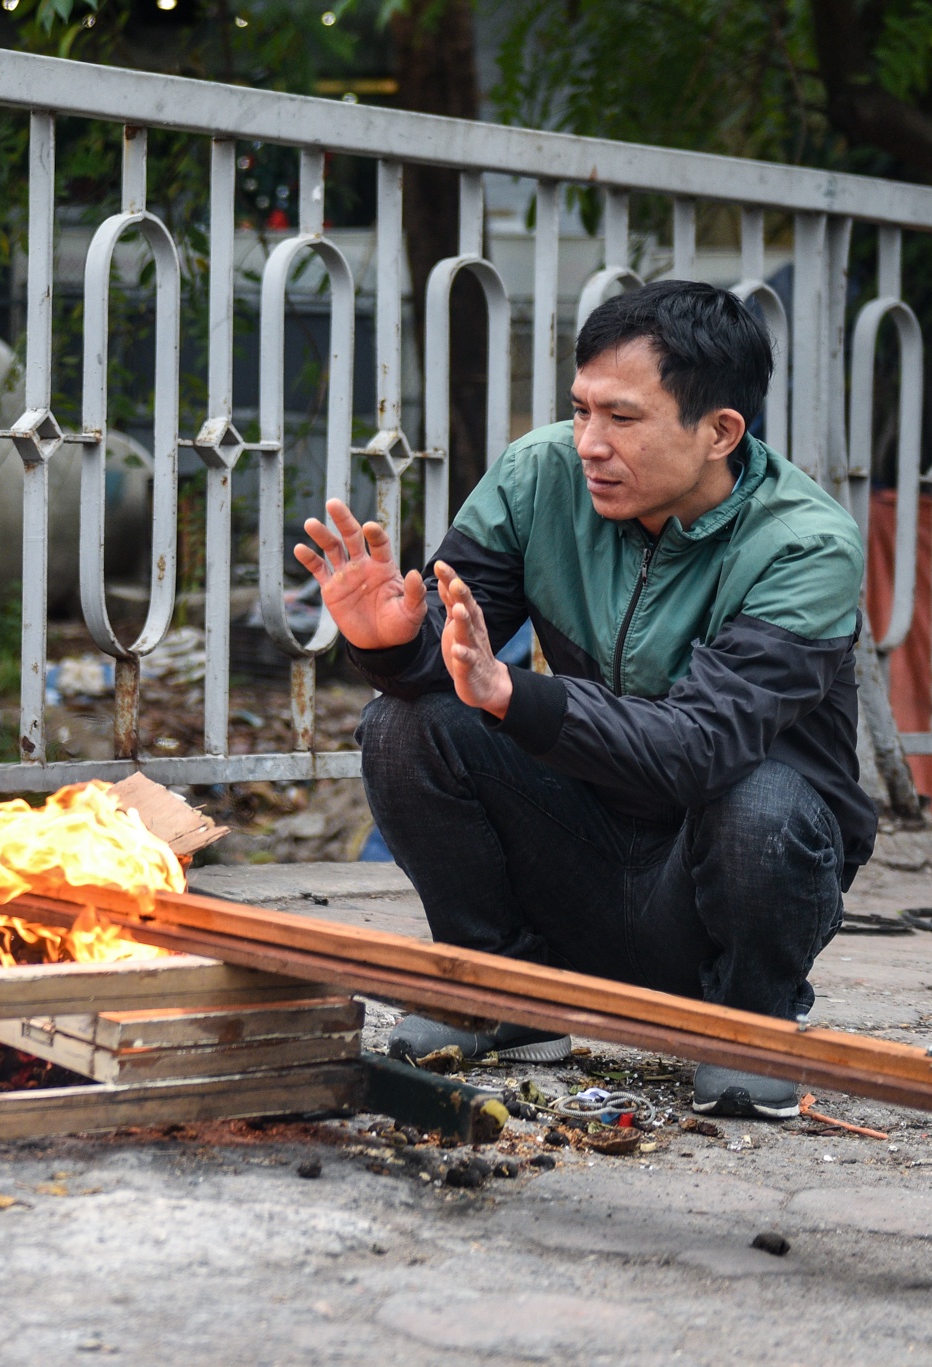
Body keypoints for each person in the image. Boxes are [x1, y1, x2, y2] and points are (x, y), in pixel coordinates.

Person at [294, 279, 872, 1119]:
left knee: (764, 803)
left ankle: (752, 1022)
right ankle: (500, 991)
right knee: (403, 724)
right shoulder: (541, 477)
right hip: (584, 847)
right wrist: (387, 642)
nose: (589, 443)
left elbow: (698, 747)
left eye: (623, 418)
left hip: (723, 878)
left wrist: (511, 693)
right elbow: (455, 672)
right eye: (581, 410)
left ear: (720, 431)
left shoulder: (805, 546)